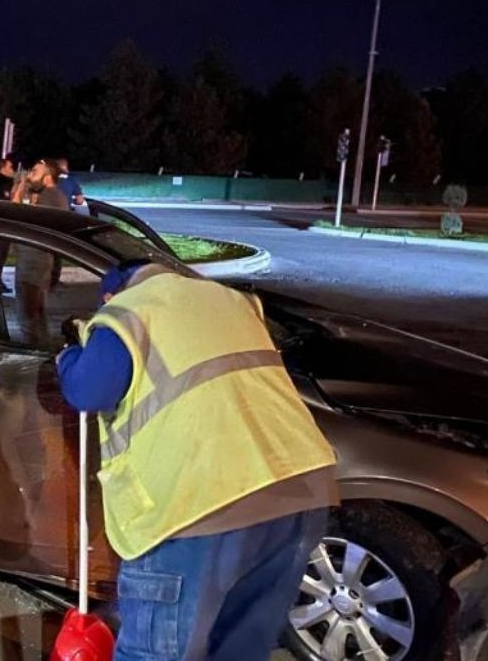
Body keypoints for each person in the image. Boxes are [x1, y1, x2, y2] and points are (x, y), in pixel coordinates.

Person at [55, 260, 338, 659]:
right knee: (239, 648)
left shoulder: (126, 312)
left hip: (198, 507)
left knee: (156, 652)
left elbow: (87, 390)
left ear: (110, 294)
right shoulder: (233, 301)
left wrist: (67, 357)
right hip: (298, 492)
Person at [10, 160, 67, 344]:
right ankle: (43, 351)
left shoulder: (50, 198)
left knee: (27, 317)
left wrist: (22, 184)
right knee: (36, 316)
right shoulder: (47, 195)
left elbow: (14, 210)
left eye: (34, 172)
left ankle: (35, 356)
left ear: (47, 177)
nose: (29, 175)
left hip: (34, 263)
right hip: (35, 262)